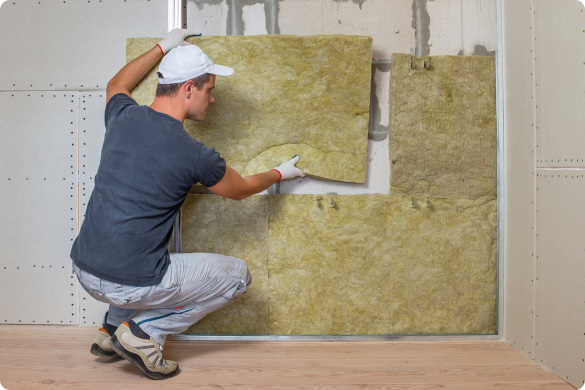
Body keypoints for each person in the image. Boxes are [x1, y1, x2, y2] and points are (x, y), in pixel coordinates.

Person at [70, 29, 305, 380]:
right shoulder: (194, 155)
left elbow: (115, 84)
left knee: (136, 247)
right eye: (209, 90)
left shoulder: (122, 117)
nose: (212, 100)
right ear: (188, 89)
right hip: (126, 282)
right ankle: (141, 333)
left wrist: (162, 46)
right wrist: (279, 173)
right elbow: (240, 190)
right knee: (237, 277)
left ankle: (109, 331)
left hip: (85, 269)